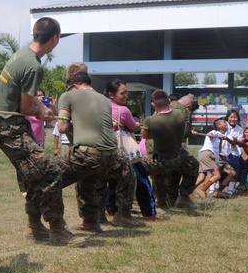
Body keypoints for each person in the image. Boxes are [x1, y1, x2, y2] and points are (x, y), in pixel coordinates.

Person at [0, 17, 84, 246]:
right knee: (50, 172)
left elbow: (29, 102)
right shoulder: (33, 65)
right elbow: (25, 107)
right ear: (55, 39)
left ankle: (34, 227)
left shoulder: (22, 55)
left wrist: (40, 108)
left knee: (32, 175)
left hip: (8, 125)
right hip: (9, 128)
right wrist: (40, 111)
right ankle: (57, 231)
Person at [56, 70, 144, 231]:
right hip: (113, 153)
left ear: (74, 86)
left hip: (88, 152)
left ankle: (53, 226)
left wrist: (64, 119)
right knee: (96, 179)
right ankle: (115, 217)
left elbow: (62, 127)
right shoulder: (104, 100)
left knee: (51, 176)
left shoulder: (68, 96)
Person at [104, 80, 157, 219]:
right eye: (123, 93)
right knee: (142, 179)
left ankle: (110, 208)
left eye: (126, 92)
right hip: (126, 151)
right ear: (111, 94)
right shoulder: (123, 110)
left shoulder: (103, 108)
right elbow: (133, 127)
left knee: (113, 180)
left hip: (108, 149)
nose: (126, 95)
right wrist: (138, 125)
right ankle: (149, 213)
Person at [141, 90, 198, 209]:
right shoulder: (181, 113)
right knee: (191, 165)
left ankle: (160, 200)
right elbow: (185, 133)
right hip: (173, 151)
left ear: (153, 105)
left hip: (155, 150)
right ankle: (183, 196)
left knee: (158, 174)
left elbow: (145, 136)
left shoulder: (151, 119)